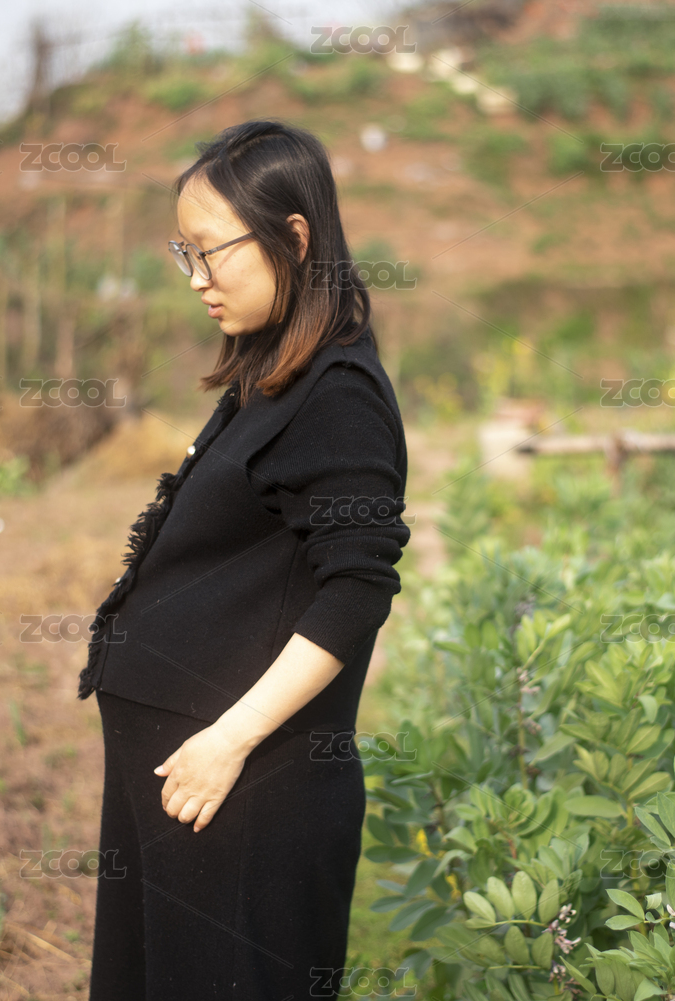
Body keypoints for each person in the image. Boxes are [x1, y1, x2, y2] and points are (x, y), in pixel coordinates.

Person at [77, 119, 411, 1000]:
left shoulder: (339, 395)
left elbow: (356, 590)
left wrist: (226, 740)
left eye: (210, 252)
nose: (195, 278)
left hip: (243, 796)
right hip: (192, 797)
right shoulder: (275, 377)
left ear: (293, 238)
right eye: (182, 253)